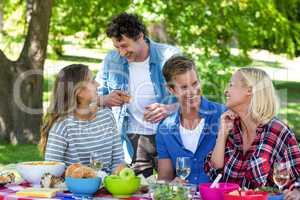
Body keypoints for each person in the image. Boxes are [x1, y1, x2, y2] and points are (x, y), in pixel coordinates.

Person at [95, 12, 180, 177]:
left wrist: (169, 109)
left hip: (169, 134)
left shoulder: (170, 57)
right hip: (132, 138)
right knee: (139, 189)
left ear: (140, 36)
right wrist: (104, 99)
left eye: (125, 46)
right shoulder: (111, 61)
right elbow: (92, 97)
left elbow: (193, 98)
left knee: (171, 187)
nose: (121, 52)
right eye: (117, 47)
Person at [204, 67, 300, 189]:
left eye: (231, 85)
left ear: (249, 90)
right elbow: (215, 168)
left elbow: (296, 180)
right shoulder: (232, 127)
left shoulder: (276, 131)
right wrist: (223, 132)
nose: (225, 91)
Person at [39, 64, 124, 173]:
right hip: (73, 188)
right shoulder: (62, 126)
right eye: (92, 81)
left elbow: (118, 160)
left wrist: (115, 179)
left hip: (109, 186)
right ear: (79, 92)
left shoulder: (106, 116)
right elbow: (51, 171)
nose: (98, 84)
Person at [156, 55, 225, 184]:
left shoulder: (222, 115)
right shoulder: (164, 128)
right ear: (171, 90)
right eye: (184, 87)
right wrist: (171, 184)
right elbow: (164, 179)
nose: (192, 91)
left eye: (195, 83)